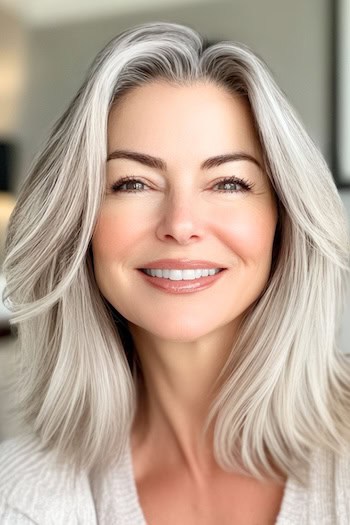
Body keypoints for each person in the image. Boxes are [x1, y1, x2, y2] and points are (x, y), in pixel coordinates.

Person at [0, 20, 350, 524]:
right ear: (79, 223)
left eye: (229, 182)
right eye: (133, 184)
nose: (181, 225)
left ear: (284, 219)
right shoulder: (25, 498)